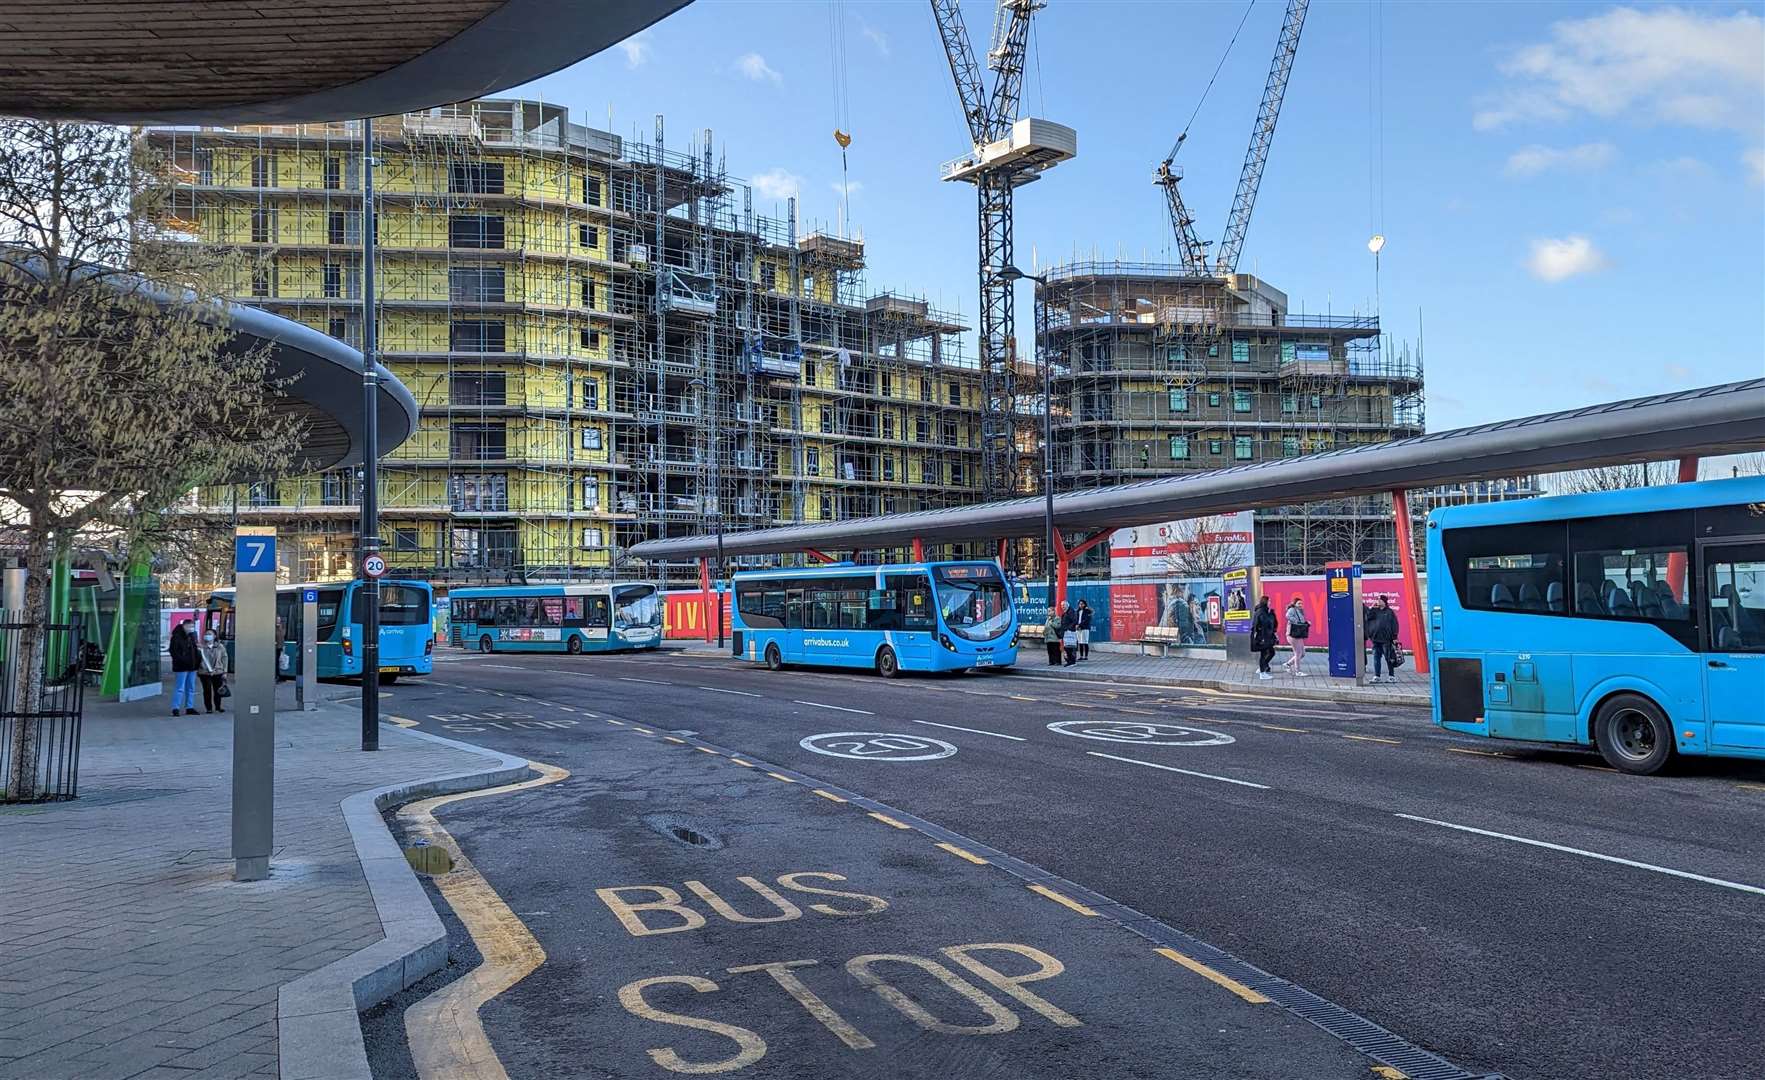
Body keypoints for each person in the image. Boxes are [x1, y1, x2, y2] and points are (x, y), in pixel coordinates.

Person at [168, 621, 199, 716]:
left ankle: (189, 707)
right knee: (180, 688)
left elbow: (195, 650)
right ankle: (175, 708)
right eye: (190, 626)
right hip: (181, 667)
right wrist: (183, 660)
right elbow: (174, 651)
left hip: (192, 666)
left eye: (193, 626)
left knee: (191, 687)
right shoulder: (177, 637)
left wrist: (197, 660)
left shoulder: (192, 636)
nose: (191, 628)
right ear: (184, 626)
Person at [1367, 594, 1400, 682]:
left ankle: (1391, 676)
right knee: (1376, 658)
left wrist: (1395, 636)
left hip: (1386, 639)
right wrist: (1372, 608)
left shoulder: (1389, 612)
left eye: (1380, 600)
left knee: (1389, 658)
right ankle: (1377, 676)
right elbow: (1367, 617)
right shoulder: (1375, 611)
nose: (1378, 601)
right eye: (1377, 600)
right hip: (1375, 639)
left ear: (1384, 602)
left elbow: (1395, 624)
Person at [198, 629, 229, 714]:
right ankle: (209, 708)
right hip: (204, 672)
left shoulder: (220, 646)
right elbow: (198, 659)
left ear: (214, 636)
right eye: (206, 634)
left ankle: (218, 707)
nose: (207, 635)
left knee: (217, 690)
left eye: (210, 634)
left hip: (218, 672)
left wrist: (225, 671)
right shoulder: (201, 647)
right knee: (207, 690)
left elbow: (224, 658)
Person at [1250, 596, 1278, 680]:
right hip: (1262, 637)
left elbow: (1273, 624)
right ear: (1265, 602)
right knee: (1264, 654)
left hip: (1267, 636)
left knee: (1271, 652)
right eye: (1269, 601)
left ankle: (1262, 667)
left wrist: (1271, 614)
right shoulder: (1261, 612)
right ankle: (1262, 673)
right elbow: (1261, 624)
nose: (1270, 602)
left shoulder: (1267, 611)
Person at [1284, 595, 1311, 676]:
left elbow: (1301, 622)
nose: (1300, 605)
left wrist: (1306, 623)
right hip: (1293, 634)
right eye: (1299, 603)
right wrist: (1296, 622)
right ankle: (1297, 671)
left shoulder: (1300, 611)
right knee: (1298, 653)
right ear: (1294, 603)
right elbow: (1288, 616)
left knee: (1302, 653)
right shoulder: (1292, 609)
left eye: (1301, 603)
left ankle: (1288, 664)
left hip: (1298, 634)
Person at [1059, 601, 1080, 666]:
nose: (1062, 607)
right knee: (1067, 647)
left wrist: (1068, 628)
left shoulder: (1071, 612)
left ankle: (1072, 661)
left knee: (1070, 647)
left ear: (1067, 605)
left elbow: (1074, 621)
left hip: (1070, 632)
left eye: (1063, 605)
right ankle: (1069, 661)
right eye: (1062, 606)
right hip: (1066, 632)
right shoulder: (1065, 612)